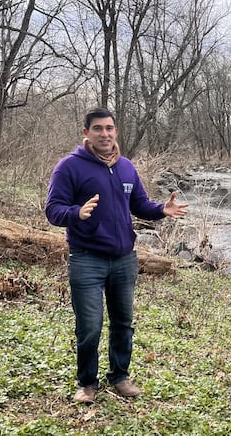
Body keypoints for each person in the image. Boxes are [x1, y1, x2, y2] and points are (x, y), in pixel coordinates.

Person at [45, 107, 188, 403]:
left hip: (124, 259)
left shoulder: (125, 167)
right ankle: (87, 383)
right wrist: (76, 212)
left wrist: (162, 209)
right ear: (86, 133)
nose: (105, 134)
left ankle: (120, 376)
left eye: (110, 128)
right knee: (90, 325)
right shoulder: (69, 167)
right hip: (86, 258)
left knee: (123, 321)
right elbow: (53, 210)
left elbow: (139, 204)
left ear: (116, 131)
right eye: (98, 129)